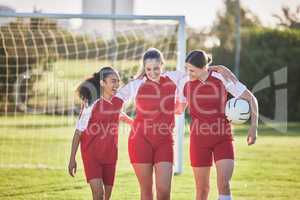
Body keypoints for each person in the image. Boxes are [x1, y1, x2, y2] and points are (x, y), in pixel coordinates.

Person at [116, 48, 238, 200]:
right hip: (140, 140)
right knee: (146, 192)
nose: (152, 72)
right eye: (148, 69)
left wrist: (220, 68)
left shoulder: (175, 77)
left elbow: (199, 70)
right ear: (144, 68)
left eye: (156, 68)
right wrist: (129, 120)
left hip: (165, 141)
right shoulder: (137, 84)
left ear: (162, 65)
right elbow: (114, 102)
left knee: (164, 191)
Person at [176, 50, 258, 200]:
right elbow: (179, 109)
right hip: (198, 140)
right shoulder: (184, 82)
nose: (188, 73)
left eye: (192, 70)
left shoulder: (222, 77)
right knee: (202, 190)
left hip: (223, 138)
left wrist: (253, 127)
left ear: (203, 68)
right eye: (187, 69)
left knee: (224, 184)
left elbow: (251, 99)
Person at [68, 67, 133, 200]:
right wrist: (72, 159)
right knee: (99, 194)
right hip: (91, 154)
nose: (117, 85)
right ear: (103, 83)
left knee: (106, 197)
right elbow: (78, 132)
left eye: (118, 81)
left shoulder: (117, 101)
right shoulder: (91, 104)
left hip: (110, 154)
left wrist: (134, 122)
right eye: (113, 81)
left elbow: (116, 113)